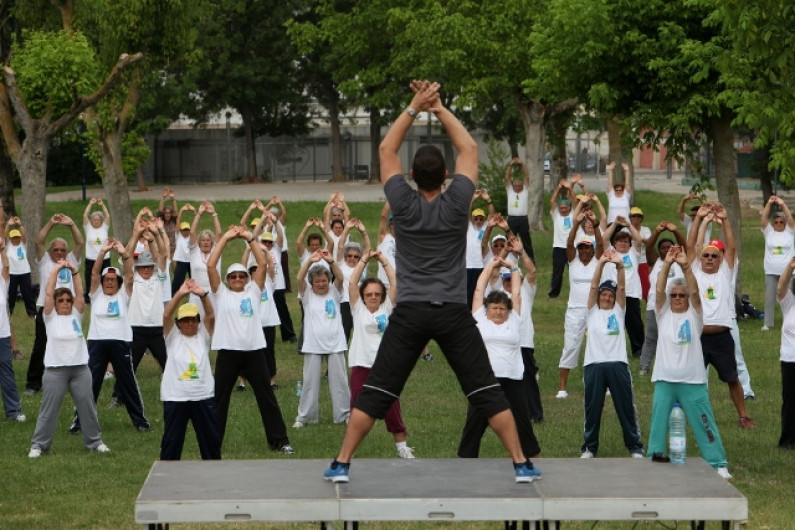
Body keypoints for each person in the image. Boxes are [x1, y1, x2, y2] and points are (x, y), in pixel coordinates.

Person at [323, 80, 540, 484]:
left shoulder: (401, 205)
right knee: (487, 391)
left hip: (410, 314)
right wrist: (438, 107)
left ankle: (342, 463)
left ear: (409, 176)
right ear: (446, 176)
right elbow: (470, 150)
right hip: (453, 313)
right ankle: (521, 463)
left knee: (377, 391)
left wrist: (414, 106)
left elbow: (385, 150)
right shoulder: (459, 201)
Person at [646, 245, 732, 479]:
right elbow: (659, 289)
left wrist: (685, 265)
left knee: (705, 423)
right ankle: (653, 460)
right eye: (674, 295)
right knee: (658, 425)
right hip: (665, 379)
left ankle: (718, 463)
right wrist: (666, 264)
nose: (676, 299)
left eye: (680, 296)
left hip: (692, 381)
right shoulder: (662, 314)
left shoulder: (695, 316)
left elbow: (695, 292)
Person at [207, 226, 294, 454]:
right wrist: (225, 238)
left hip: (254, 352)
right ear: (227, 279)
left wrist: (250, 238)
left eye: (241, 276)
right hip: (228, 353)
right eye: (233, 276)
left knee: (267, 398)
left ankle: (280, 441)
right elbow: (210, 265)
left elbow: (262, 264)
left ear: (247, 278)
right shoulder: (221, 294)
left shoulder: (254, 292)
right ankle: (212, 442)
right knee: (219, 400)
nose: (237, 279)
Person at [458, 254, 541, 460]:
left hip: (513, 380)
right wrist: (491, 265)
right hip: (486, 381)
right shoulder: (479, 317)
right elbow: (479, 289)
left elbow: (516, 292)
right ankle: (463, 464)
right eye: (494, 308)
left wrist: (513, 266)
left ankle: (536, 461)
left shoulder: (515, 318)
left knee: (522, 424)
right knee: (474, 426)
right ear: (487, 310)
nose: (498, 312)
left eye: (502, 309)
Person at [28, 260, 110, 458]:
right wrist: (56, 270)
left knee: (87, 406)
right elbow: (48, 293)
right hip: (55, 370)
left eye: (67, 300)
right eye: (61, 300)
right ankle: (39, 445)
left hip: (80, 370)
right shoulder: (49, 317)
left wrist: (74, 272)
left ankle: (95, 442)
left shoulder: (76, 315)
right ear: (55, 304)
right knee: (49, 410)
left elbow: (81, 294)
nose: (65, 303)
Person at [686, 202, 757, 427]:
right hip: (698, 337)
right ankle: (696, 417)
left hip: (721, 337)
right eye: (705, 255)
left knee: (732, 378)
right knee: (694, 380)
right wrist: (698, 219)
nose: (709, 259)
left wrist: (725, 219)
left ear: (720, 259)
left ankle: (743, 417)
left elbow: (732, 248)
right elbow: (690, 245)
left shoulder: (726, 273)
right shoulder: (695, 272)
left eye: (714, 256)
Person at [69, 239, 150, 434]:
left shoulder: (124, 295)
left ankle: (140, 421)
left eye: (114, 280)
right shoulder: (96, 294)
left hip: (120, 342)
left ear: (118, 283)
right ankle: (79, 422)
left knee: (127, 382)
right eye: (107, 280)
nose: (110, 282)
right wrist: (102, 252)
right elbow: (95, 273)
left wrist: (124, 254)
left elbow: (130, 274)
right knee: (91, 383)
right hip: (97, 343)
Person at [347, 249, 414, 458]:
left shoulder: (387, 307)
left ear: (382, 296)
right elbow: (352, 283)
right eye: (369, 294)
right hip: (361, 363)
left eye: (377, 293)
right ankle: (348, 451)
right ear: (363, 297)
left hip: (385, 366)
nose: (373, 297)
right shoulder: (358, 309)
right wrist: (365, 259)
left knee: (392, 406)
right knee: (358, 406)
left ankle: (402, 448)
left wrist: (384, 260)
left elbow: (395, 284)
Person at [580, 249, 644, 458]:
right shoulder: (592, 311)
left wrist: (619, 265)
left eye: (610, 295)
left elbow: (622, 287)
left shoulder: (619, 310)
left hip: (618, 363)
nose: (607, 298)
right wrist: (600, 264)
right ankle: (589, 447)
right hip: (594, 364)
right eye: (604, 295)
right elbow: (592, 286)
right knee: (592, 408)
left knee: (625, 407)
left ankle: (635, 446)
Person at [160, 281, 221, 460]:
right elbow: (166, 315)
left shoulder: (203, 335)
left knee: (210, 441)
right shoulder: (172, 337)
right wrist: (180, 294)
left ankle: (214, 474)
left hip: (202, 396)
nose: (189, 324)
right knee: (172, 442)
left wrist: (202, 295)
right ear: (178, 323)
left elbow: (210, 315)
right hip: (175, 397)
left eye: (193, 319)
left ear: (197, 322)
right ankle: (168, 476)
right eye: (185, 320)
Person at [24, 214, 84, 395]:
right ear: (51, 251)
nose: (59, 253)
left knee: (69, 344)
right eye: (56, 250)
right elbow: (38, 242)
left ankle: (67, 380)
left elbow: (80, 243)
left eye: (62, 250)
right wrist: (51, 223)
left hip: (68, 310)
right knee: (41, 345)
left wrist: (71, 224)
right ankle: (33, 383)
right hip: (48, 309)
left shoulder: (71, 261)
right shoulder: (45, 262)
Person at [295, 250, 350, 427]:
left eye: (324, 281)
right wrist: (310, 260)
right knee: (310, 382)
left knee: (340, 381)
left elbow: (340, 277)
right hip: (312, 345)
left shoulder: (334, 292)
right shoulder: (307, 295)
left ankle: (344, 415)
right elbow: (299, 278)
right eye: (317, 281)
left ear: (329, 281)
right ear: (312, 283)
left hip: (336, 344)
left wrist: (331, 261)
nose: (321, 284)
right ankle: (305, 417)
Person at [557, 209, 604, 398]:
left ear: (592, 250)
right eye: (581, 248)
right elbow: (568, 243)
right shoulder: (573, 262)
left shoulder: (598, 261)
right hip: (574, 310)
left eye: (587, 248)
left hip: (594, 310)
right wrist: (576, 223)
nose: (584, 251)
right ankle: (562, 388)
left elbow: (601, 242)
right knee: (570, 345)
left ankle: (601, 383)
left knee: (599, 345)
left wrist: (596, 223)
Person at [638, 222, 686, 376]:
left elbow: (685, 245)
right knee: (651, 337)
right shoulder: (655, 261)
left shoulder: (681, 262)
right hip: (655, 305)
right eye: (663, 247)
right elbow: (649, 245)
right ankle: (644, 367)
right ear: (659, 250)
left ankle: (673, 365)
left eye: (669, 247)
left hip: (676, 306)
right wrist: (657, 231)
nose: (666, 249)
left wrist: (676, 231)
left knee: (674, 336)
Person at [602, 216, 645, 358]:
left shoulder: (634, 253)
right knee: (613, 322)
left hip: (631, 293)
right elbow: (604, 238)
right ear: (614, 243)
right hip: (614, 293)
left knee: (635, 324)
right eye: (620, 241)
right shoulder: (610, 252)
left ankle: (639, 350)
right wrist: (615, 223)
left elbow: (638, 240)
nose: (623, 243)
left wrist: (627, 224)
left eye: (626, 241)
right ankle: (612, 349)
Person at [0, 238, 25, 423]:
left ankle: (14, 410)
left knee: (6, 372)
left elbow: (6, 269)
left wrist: (2, 249)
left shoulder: (2, 283)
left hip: (2, 334)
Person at [761, 196, 795, 331]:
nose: (779, 224)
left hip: (788, 272)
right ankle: (768, 323)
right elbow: (763, 219)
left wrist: (782, 204)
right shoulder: (769, 232)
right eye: (776, 222)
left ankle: (791, 320)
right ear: (773, 223)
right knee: (769, 298)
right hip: (771, 271)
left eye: (781, 222)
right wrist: (769, 204)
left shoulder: (790, 233)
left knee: (791, 297)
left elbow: (790, 218)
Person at [336, 219, 371, 341]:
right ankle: (342, 351)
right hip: (345, 301)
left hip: (361, 302)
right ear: (345, 256)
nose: (352, 258)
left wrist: (363, 232)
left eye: (356, 256)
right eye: (350, 256)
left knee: (362, 330)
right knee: (345, 329)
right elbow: (340, 246)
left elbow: (368, 249)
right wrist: (347, 229)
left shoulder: (362, 265)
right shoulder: (341, 264)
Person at [776, 257, 795, 449]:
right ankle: (788, 440)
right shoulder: (789, 302)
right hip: (790, 360)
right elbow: (780, 287)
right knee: (790, 400)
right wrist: (789, 267)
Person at [465, 190, 495, 308]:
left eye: (480, 219)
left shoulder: (484, 228)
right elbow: (464, 212)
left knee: (479, 292)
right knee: (467, 293)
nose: (478, 221)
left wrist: (488, 200)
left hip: (480, 265)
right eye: (476, 218)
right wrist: (472, 199)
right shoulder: (468, 227)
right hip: (467, 266)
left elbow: (492, 216)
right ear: (472, 219)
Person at [5, 216, 36, 318]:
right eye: (14, 237)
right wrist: (8, 225)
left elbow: (24, 235)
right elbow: (4, 235)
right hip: (12, 273)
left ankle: (32, 313)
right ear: (11, 238)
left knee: (27, 294)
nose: (16, 239)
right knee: (11, 295)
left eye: (17, 237)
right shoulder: (8, 246)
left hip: (24, 272)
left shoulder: (23, 244)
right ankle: (8, 313)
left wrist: (19, 224)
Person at [504, 157, 535, 262]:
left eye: (519, 185)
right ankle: (506, 258)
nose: (517, 186)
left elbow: (526, 176)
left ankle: (530, 259)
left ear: (522, 185)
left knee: (526, 241)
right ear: (513, 185)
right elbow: (507, 177)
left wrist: (522, 165)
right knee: (509, 239)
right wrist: (511, 165)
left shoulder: (525, 190)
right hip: (512, 219)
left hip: (523, 219)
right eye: (515, 185)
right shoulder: (510, 190)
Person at [549, 177, 574, 299]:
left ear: (569, 207)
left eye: (566, 207)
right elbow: (552, 201)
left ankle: (575, 293)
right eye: (562, 207)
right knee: (557, 272)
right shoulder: (556, 215)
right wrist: (559, 188)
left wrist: (570, 188)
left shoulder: (574, 214)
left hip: (572, 247)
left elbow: (574, 201)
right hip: (558, 247)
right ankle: (554, 294)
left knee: (574, 271)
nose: (563, 209)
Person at [82, 198, 111, 304]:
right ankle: (88, 297)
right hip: (91, 258)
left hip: (105, 258)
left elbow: (108, 216)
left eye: (98, 219)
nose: (96, 221)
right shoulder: (88, 229)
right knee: (89, 278)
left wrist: (102, 205)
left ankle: (106, 294)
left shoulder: (104, 228)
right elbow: (85, 216)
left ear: (101, 221)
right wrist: (90, 204)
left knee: (106, 277)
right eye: (94, 219)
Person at [171, 203, 195, 295]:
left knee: (195, 278)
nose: (185, 232)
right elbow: (177, 222)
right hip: (181, 261)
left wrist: (194, 211)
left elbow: (195, 223)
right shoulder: (178, 236)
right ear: (180, 230)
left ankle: (195, 292)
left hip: (191, 261)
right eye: (184, 230)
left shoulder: (191, 236)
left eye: (187, 230)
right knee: (178, 280)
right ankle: (173, 294)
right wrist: (181, 210)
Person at [628, 206, 652, 300]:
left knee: (646, 286)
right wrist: (641, 240)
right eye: (634, 216)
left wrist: (637, 239)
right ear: (630, 218)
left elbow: (649, 242)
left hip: (643, 260)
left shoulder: (646, 229)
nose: (636, 218)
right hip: (630, 261)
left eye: (638, 216)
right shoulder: (625, 230)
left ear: (641, 218)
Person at [157, 188, 178, 256]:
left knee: (174, 266)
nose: (167, 215)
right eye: (166, 213)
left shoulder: (173, 221)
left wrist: (172, 198)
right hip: (162, 250)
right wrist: (163, 197)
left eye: (169, 213)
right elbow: (160, 210)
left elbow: (175, 211)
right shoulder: (161, 221)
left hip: (172, 249)